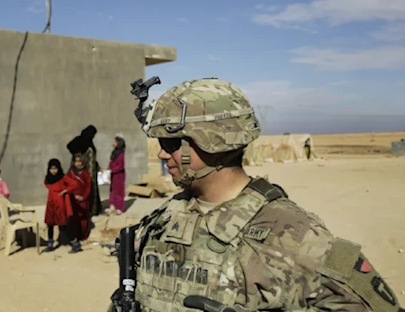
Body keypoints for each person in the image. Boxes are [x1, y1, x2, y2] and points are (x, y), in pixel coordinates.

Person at [110, 77, 402, 312]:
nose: (162, 152)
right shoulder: (162, 222)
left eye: (171, 142)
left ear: (213, 142)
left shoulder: (292, 234)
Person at [43, 158, 81, 253]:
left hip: (60, 204)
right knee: (50, 224)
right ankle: (50, 244)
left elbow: (74, 184)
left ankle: (75, 243)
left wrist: (65, 190)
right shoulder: (48, 178)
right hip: (51, 203)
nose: (53, 171)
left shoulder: (63, 177)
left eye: (55, 168)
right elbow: (46, 184)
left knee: (62, 225)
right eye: (51, 168)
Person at [67, 125, 103, 216]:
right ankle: (89, 211)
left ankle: (92, 210)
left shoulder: (85, 141)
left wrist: (98, 167)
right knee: (86, 190)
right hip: (85, 172)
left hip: (88, 171)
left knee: (88, 190)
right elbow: (87, 158)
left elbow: (92, 158)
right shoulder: (83, 143)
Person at [67, 153, 92, 241]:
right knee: (73, 218)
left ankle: (82, 237)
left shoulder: (85, 173)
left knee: (83, 219)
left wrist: (83, 197)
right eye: (76, 161)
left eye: (80, 161)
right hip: (73, 200)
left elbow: (88, 186)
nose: (78, 163)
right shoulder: (70, 173)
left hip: (82, 200)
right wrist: (72, 196)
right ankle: (74, 237)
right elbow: (66, 184)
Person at [106, 134, 126, 215]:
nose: (113, 143)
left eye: (115, 142)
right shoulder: (114, 153)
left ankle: (119, 208)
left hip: (119, 175)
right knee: (112, 191)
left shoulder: (121, 154)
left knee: (119, 191)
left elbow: (120, 166)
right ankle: (112, 206)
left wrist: (112, 170)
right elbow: (111, 162)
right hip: (112, 175)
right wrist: (108, 169)